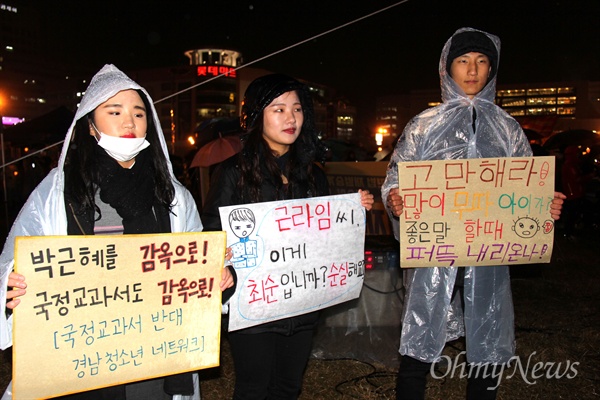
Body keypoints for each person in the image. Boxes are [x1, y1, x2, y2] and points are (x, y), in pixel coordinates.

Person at [0, 64, 235, 400]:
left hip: (155, 357)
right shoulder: (57, 192)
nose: (129, 122)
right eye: (115, 111)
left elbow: (196, 265)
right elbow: (12, 261)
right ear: (91, 125)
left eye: (139, 114)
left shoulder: (173, 196)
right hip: (80, 358)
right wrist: (13, 283)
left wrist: (220, 276)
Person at [381, 28, 566, 400]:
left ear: (492, 69)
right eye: (463, 61)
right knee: (419, 336)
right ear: (447, 69)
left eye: (482, 62)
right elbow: (395, 179)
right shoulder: (424, 125)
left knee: (487, 334)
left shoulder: (507, 127)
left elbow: (526, 186)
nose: (472, 70)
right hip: (435, 257)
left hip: (489, 256)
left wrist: (544, 204)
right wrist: (395, 201)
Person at [201, 73, 374, 399]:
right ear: (256, 115)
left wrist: (352, 211)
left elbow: (327, 237)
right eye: (278, 109)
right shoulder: (234, 172)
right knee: (254, 387)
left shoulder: (312, 173)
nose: (290, 117)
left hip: (303, 301)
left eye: (296, 108)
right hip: (254, 302)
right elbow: (211, 230)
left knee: (288, 387)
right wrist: (218, 258)